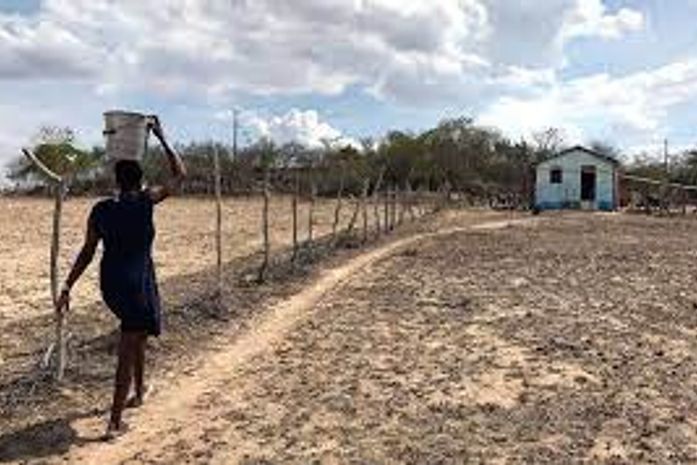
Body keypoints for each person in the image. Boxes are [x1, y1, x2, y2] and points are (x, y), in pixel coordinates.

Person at [55, 116, 186, 438]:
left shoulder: (100, 209)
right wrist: (163, 137)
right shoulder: (145, 201)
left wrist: (68, 284)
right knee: (128, 346)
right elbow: (180, 175)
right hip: (136, 283)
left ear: (116, 180)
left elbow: (87, 252)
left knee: (137, 334)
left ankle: (139, 393)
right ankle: (114, 422)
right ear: (140, 181)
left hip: (111, 283)